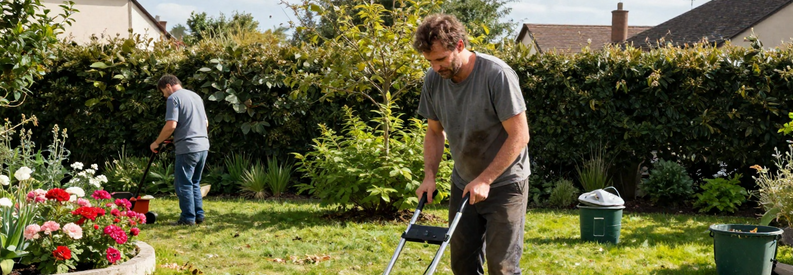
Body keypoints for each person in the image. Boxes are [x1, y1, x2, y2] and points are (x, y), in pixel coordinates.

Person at [412, 14, 531, 274]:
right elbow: (434, 132)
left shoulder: (496, 75)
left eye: (441, 59)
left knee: (502, 267)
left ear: (460, 46)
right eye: (430, 61)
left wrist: (486, 179)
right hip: (464, 181)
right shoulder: (434, 80)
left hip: (506, 183)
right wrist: (429, 176)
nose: (435, 67)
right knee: (463, 265)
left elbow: (520, 135)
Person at [151, 74, 210, 226]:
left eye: (163, 91)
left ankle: (187, 219)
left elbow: (171, 125)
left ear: (168, 86)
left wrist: (157, 142)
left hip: (188, 147)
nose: (164, 96)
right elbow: (205, 123)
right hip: (203, 145)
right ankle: (199, 216)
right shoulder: (196, 96)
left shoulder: (174, 98)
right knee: (194, 182)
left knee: (183, 184)